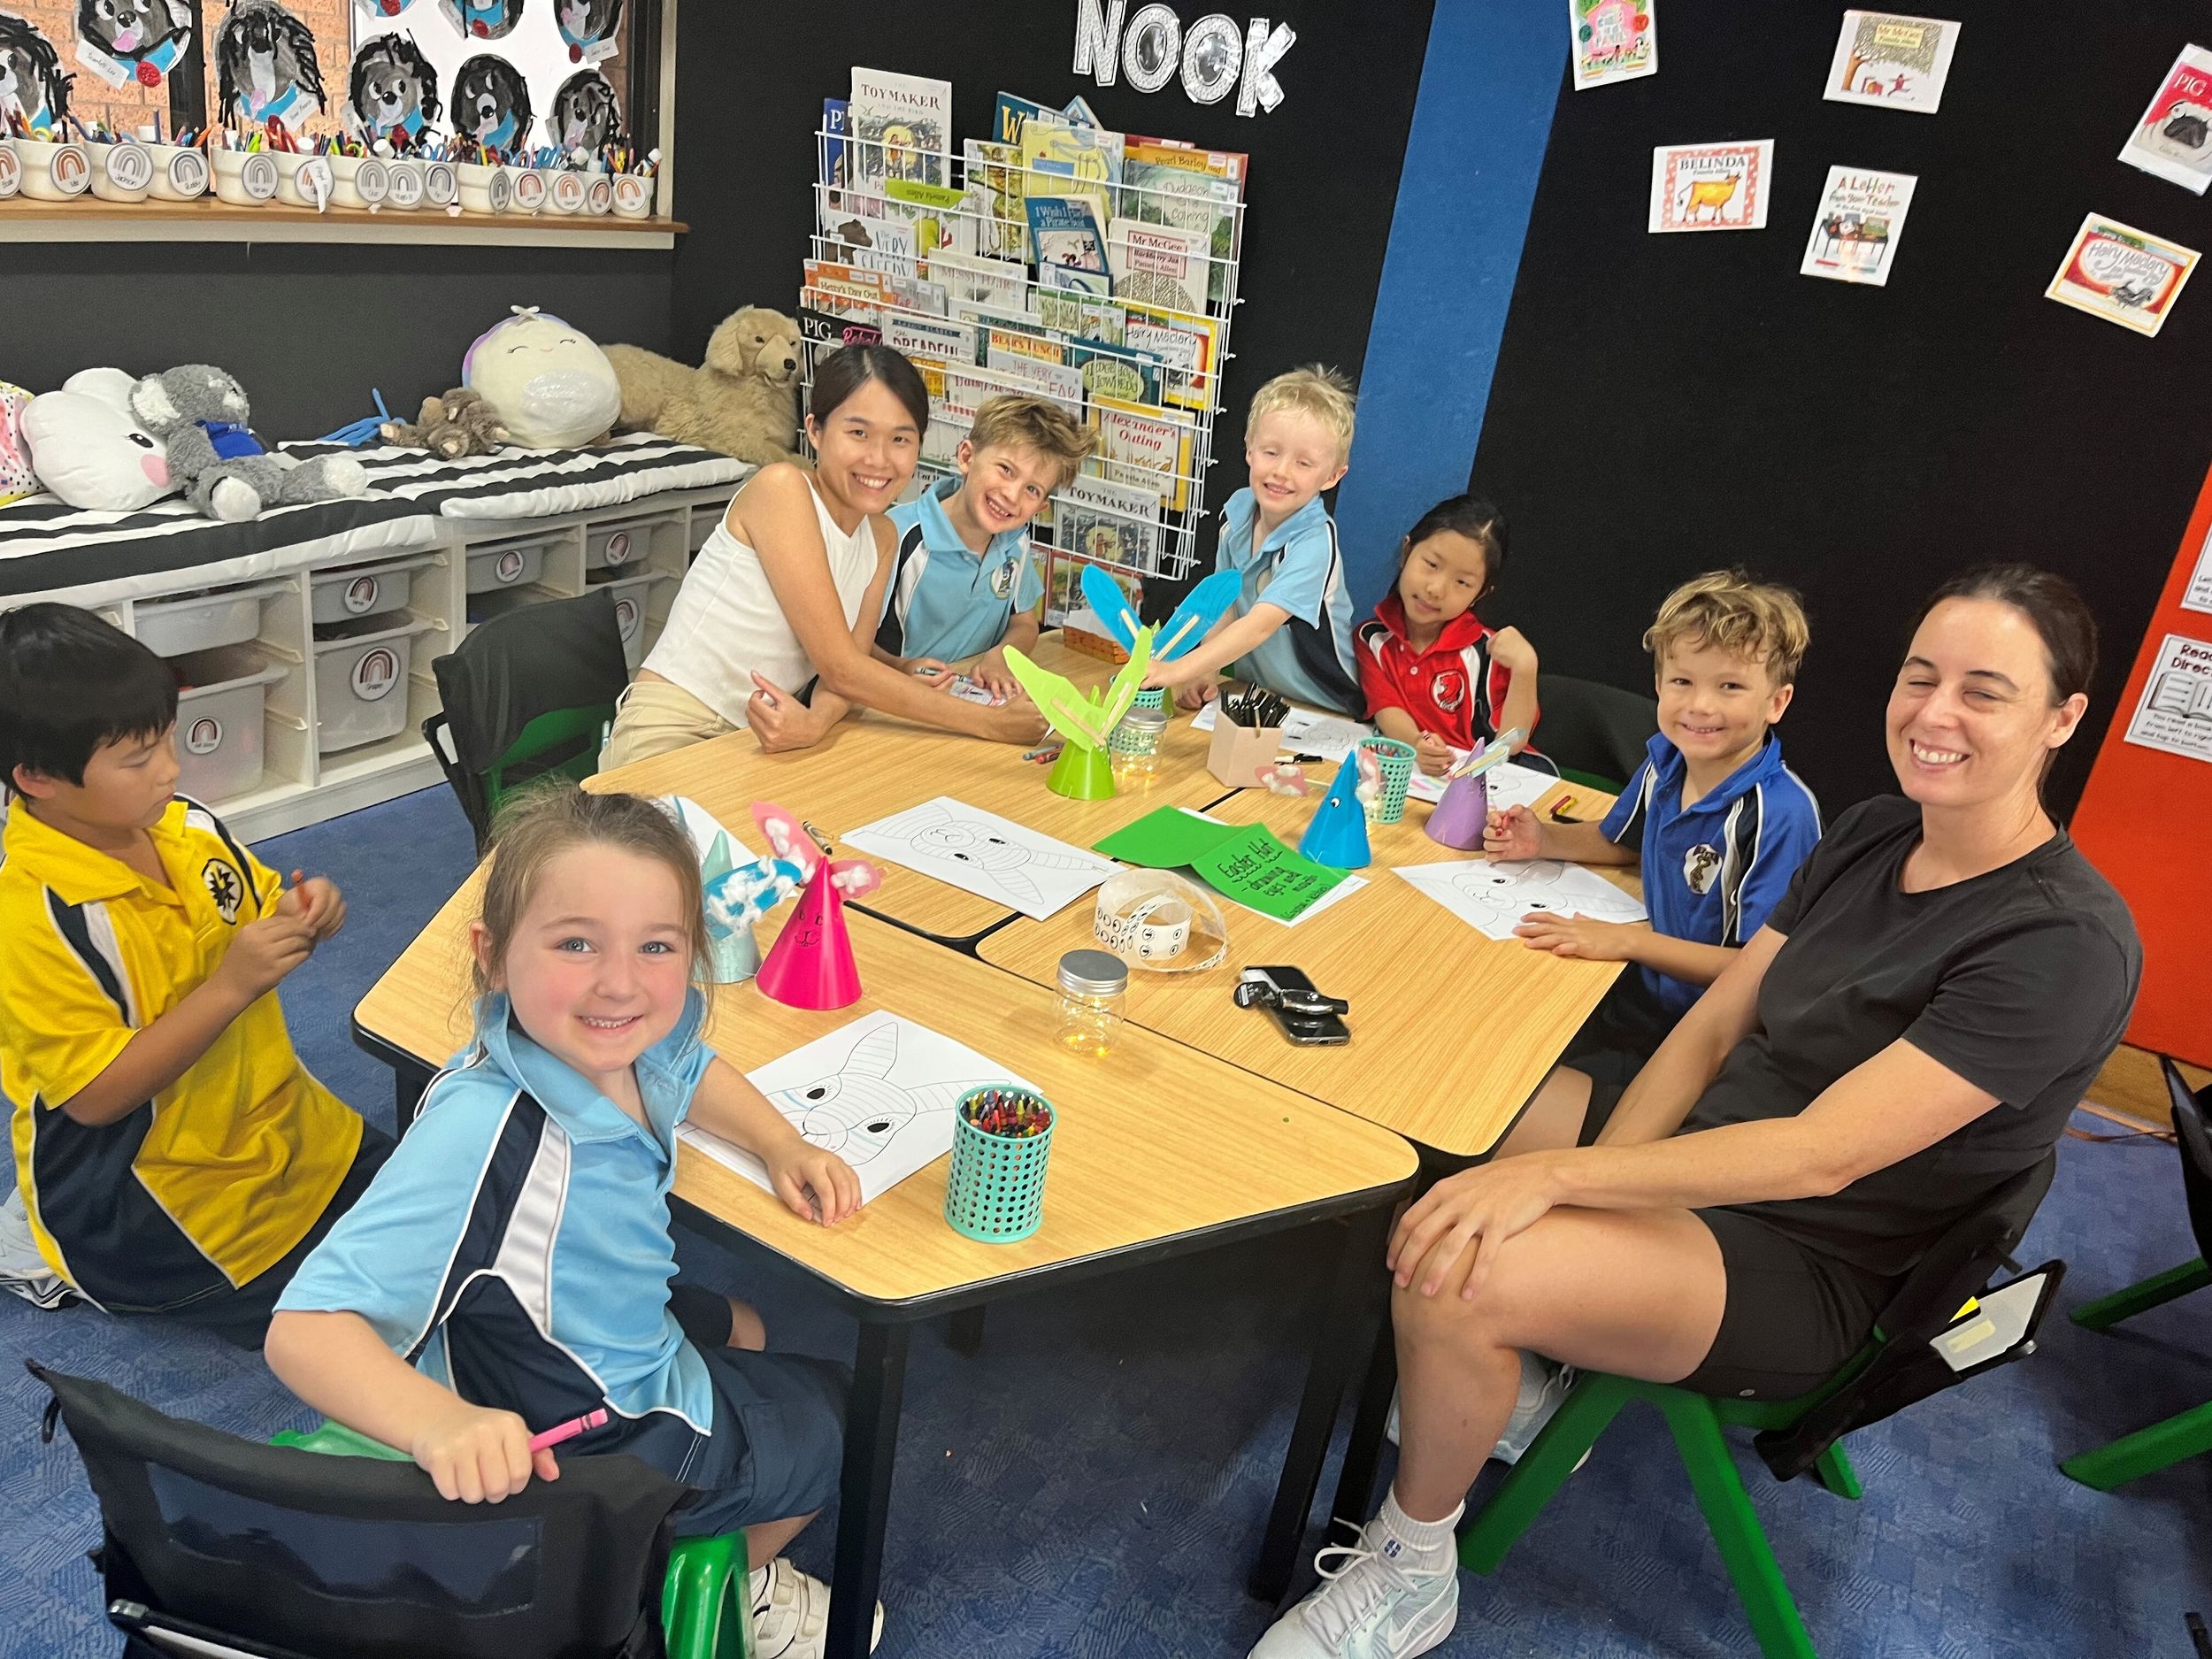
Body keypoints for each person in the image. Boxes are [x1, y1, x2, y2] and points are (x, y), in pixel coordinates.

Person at [1249, 565, 2141, 1659]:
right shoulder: (1872, 832)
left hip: (1813, 1256)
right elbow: (1718, 1025)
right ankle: (1537, 1359)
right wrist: (1588, 1190)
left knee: (1452, 1268)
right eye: (1920, 677)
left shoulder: (2061, 942)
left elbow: (1819, 1157)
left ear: (2061, 718)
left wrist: (1559, 1185)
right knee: (1456, 1112)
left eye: (1983, 692)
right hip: (1713, 1150)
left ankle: (1411, 1566)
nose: (1934, 712)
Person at [267, 786, 877, 1656]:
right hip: (597, 1431)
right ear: (491, 954)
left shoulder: (607, 1034)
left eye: (656, 945)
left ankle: (666, 1541)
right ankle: (670, 1594)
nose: (620, 982)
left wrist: (780, 1141)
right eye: (576, 943)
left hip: (566, 1335)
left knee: (745, 1323)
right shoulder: (485, 1135)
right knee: (851, 1412)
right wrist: (440, 1427)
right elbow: (305, 1329)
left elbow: (687, 1063)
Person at [0, 604, 382, 1345]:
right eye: (137, 759)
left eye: (167, 739)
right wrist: (231, 986)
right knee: (360, 1320)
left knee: (439, 1204)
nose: (170, 769)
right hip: (154, 1204)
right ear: (37, 778)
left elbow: (254, 903)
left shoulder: (183, 824)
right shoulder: (34, 920)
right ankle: (44, 1243)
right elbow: (96, 1098)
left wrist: (303, 911)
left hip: (280, 1125)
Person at [1486, 571, 1823, 1149]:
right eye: (1682, 681)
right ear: (1659, 684)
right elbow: (1624, 839)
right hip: (1641, 999)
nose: (1700, 705)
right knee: (1493, 1037)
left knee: (1501, 1114)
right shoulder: (1667, 759)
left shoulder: (1780, 814)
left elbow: (1758, 972)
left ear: (1777, 701)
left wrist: (1628, 941)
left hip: (1707, 1046)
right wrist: (1543, 840)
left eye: (1730, 687)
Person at [602, 344, 1045, 766]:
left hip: (760, 738)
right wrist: (991, 723)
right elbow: (842, 668)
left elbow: (847, 672)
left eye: (900, 439)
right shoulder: (782, 488)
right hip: (675, 726)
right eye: (858, 433)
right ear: (815, 431)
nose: (879, 459)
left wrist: (816, 721)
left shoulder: (883, 536)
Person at [1143, 365, 1363, 715]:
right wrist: (1206, 671)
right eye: (1271, 452)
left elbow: (1259, 626)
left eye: (1303, 463)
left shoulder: (1314, 543)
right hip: (1257, 693)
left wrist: (1174, 670)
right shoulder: (1236, 516)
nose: (1281, 471)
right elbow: (1224, 604)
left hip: (1323, 706)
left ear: (1333, 476)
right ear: (1249, 449)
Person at [875, 393, 1095, 700]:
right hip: (892, 701)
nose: (1012, 496)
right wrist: (900, 668)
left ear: (1041, 507)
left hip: (974, 703)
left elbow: (1024, 623)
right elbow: (847, 644)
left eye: (1032, 490)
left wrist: (1001, 657)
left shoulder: (1016, 543)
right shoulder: (895, 534)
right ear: (967, 457)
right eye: (1006, 470)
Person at [1356, 495, 1540, 774]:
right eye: (1431, 564)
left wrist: (1526, 667)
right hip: (1415, 776)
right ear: (1407, 552)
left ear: (1480, 594)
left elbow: (1512, 742)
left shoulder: (1488, 649)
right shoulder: (1372, 638)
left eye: (1462, 582)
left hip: (1488, 779)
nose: (1436, 589)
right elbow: (1386, 707)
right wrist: (1415, 743)